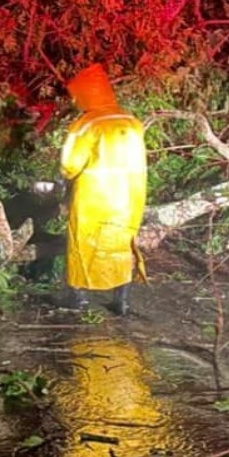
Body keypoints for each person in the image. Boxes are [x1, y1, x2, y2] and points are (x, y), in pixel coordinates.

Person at [58, 62, 147, 315]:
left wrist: (63, 181)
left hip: (94, 195)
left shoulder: (87, 124)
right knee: (122, 241)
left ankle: (78, 297)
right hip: (130, 194)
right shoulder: (132, 122)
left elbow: (70, 165)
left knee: (83, 242)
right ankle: (122, 300)